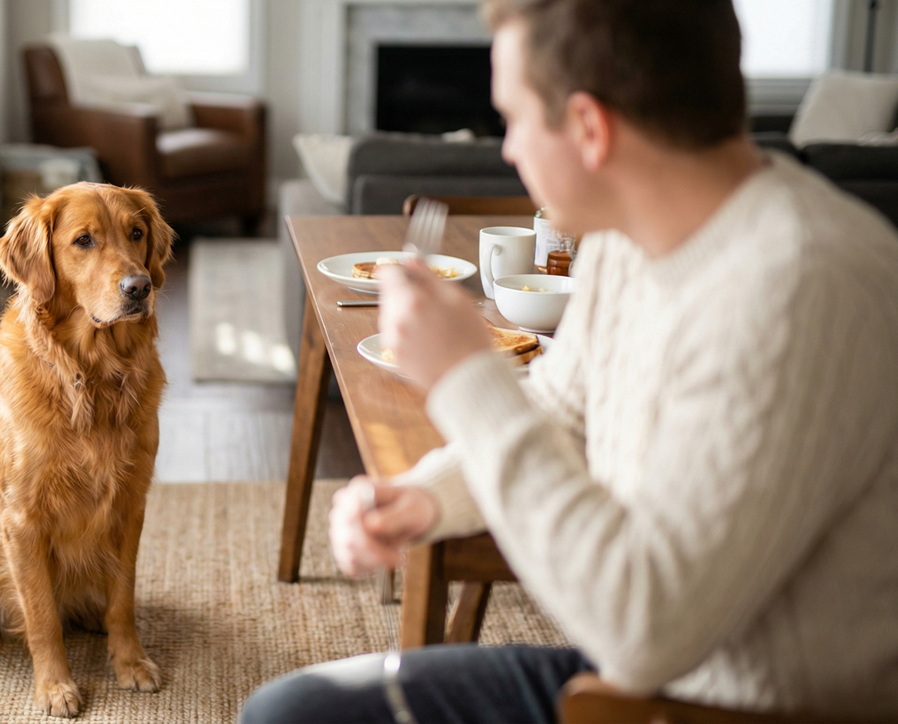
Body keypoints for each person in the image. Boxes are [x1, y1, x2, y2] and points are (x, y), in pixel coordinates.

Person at [240, 0, 898, 722]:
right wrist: (426, 497)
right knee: (296, 707)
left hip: (725, 701)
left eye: (515, 119)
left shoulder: (798, 285)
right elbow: (557, 415)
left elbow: (646, 629)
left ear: (589, 128)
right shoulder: (626, 241)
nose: (508, 150)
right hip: (634, 677)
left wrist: (466, 379)